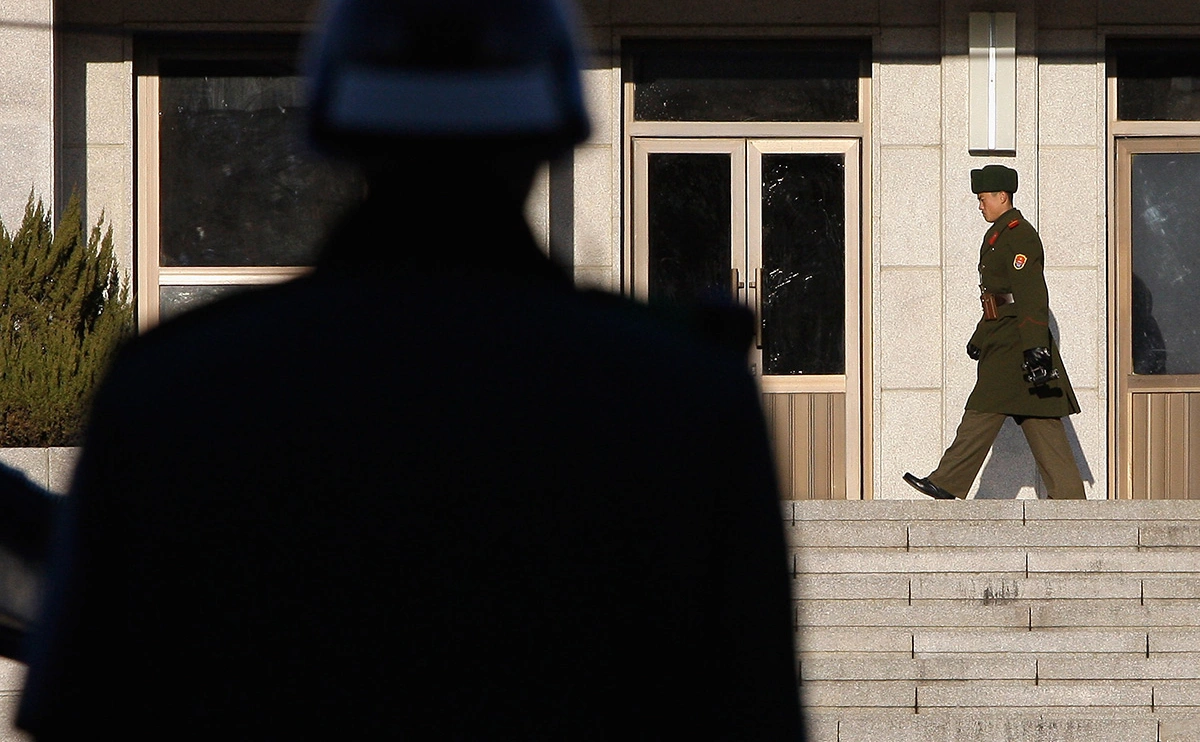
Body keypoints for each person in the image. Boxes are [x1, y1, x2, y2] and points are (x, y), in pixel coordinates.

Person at [16, 0, 804, 738]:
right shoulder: (687, 401)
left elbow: (85, 707)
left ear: (335, 128)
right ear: (553, 130)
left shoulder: (169, 391)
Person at [904, 164, 1085, 501]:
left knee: (983, 406)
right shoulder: (999, 233)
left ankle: (947, 481)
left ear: (1003, 196)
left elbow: (1031, 296)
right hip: (1002, 335)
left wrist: (1035, 349)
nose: (980, 204)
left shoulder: (1020, 235)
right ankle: (1071, 499)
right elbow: (996, 296)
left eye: (983, 197)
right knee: (1040, 417)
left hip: (1016, 341)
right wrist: (979, 336)